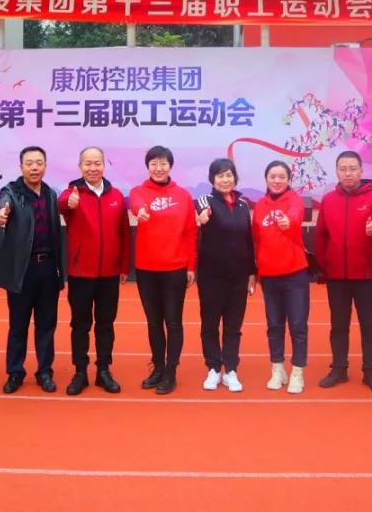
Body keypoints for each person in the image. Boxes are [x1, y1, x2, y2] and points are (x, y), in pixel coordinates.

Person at [58, 146, 130, 395]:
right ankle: (80, 372)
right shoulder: (72, 192)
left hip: (109, 274)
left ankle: (103, 371)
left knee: (106, 324)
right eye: (88, 163)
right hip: (81, 274)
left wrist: (124, 266)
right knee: (80, 324)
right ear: (80, 166)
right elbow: (61, 204)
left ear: (104, 165)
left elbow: (124, 233)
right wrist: (69, 202)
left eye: (97, 163)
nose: (93, 168)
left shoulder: (116, 196)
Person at [314, 151, 372, 392]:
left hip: (365, 276)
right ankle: (339, 369)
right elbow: (321, 236)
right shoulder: (328, 200)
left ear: (361, 171)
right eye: (343, 169)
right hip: (337, 276)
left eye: (353, 169)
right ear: (337, 172)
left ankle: (371, 371)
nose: (348, 173)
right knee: (338, 325)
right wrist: (323, 267)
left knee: (369, 325)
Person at [0, 146, 66, 394]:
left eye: (39, 163)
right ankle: (15, 372)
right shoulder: (12, 192)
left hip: (48, 270)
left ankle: (45, 371)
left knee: (46, 325)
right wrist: (2, 212)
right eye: (29, 163)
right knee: (18, 325)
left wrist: (59, 272)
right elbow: (3, 204)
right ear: (21, 166)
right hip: (22, 270)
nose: (34, 168)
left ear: (45, 165)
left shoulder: (50, 194)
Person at [129, 146, 198, 395]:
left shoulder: (183, 195)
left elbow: (190, 232)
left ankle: (171, 371)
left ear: (170, 166)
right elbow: (136, 204)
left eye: (163, 163)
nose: (159, 168)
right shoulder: (138, 192)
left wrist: (191, 266)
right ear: (148, 167)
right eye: (154, 164)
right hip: (147, 268)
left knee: (173, 321)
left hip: (175, 268)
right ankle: (158, 367)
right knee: (154, 321)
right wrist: (140, 211)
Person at [195, 158, 256, 393]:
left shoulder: (242, 205)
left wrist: (252, 272)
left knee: (233, 326)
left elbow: (248, 241)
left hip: (238, 277)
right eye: (220, 175)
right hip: (211, 277)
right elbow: (201, 211)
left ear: (235, 178)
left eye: (229, 175)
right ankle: (213, 368)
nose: (225, 179)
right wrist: (202, 216)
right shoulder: (206, 200)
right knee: (210, 324)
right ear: (212, 179)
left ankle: (230, 369)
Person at [252, 161, 310, 394]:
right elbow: (256, 240)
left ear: (288, 180)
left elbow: (296, 214)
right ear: (266, 179)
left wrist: (289, 221)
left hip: (295, 274)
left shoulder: (294, 200)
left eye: (282, 177)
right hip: (269, 275)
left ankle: (297, 371)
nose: (277, 181)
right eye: (273, 176)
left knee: (297, 325)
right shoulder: (260, 205)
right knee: (274, 325)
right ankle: (277, 369)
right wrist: (256, 273)